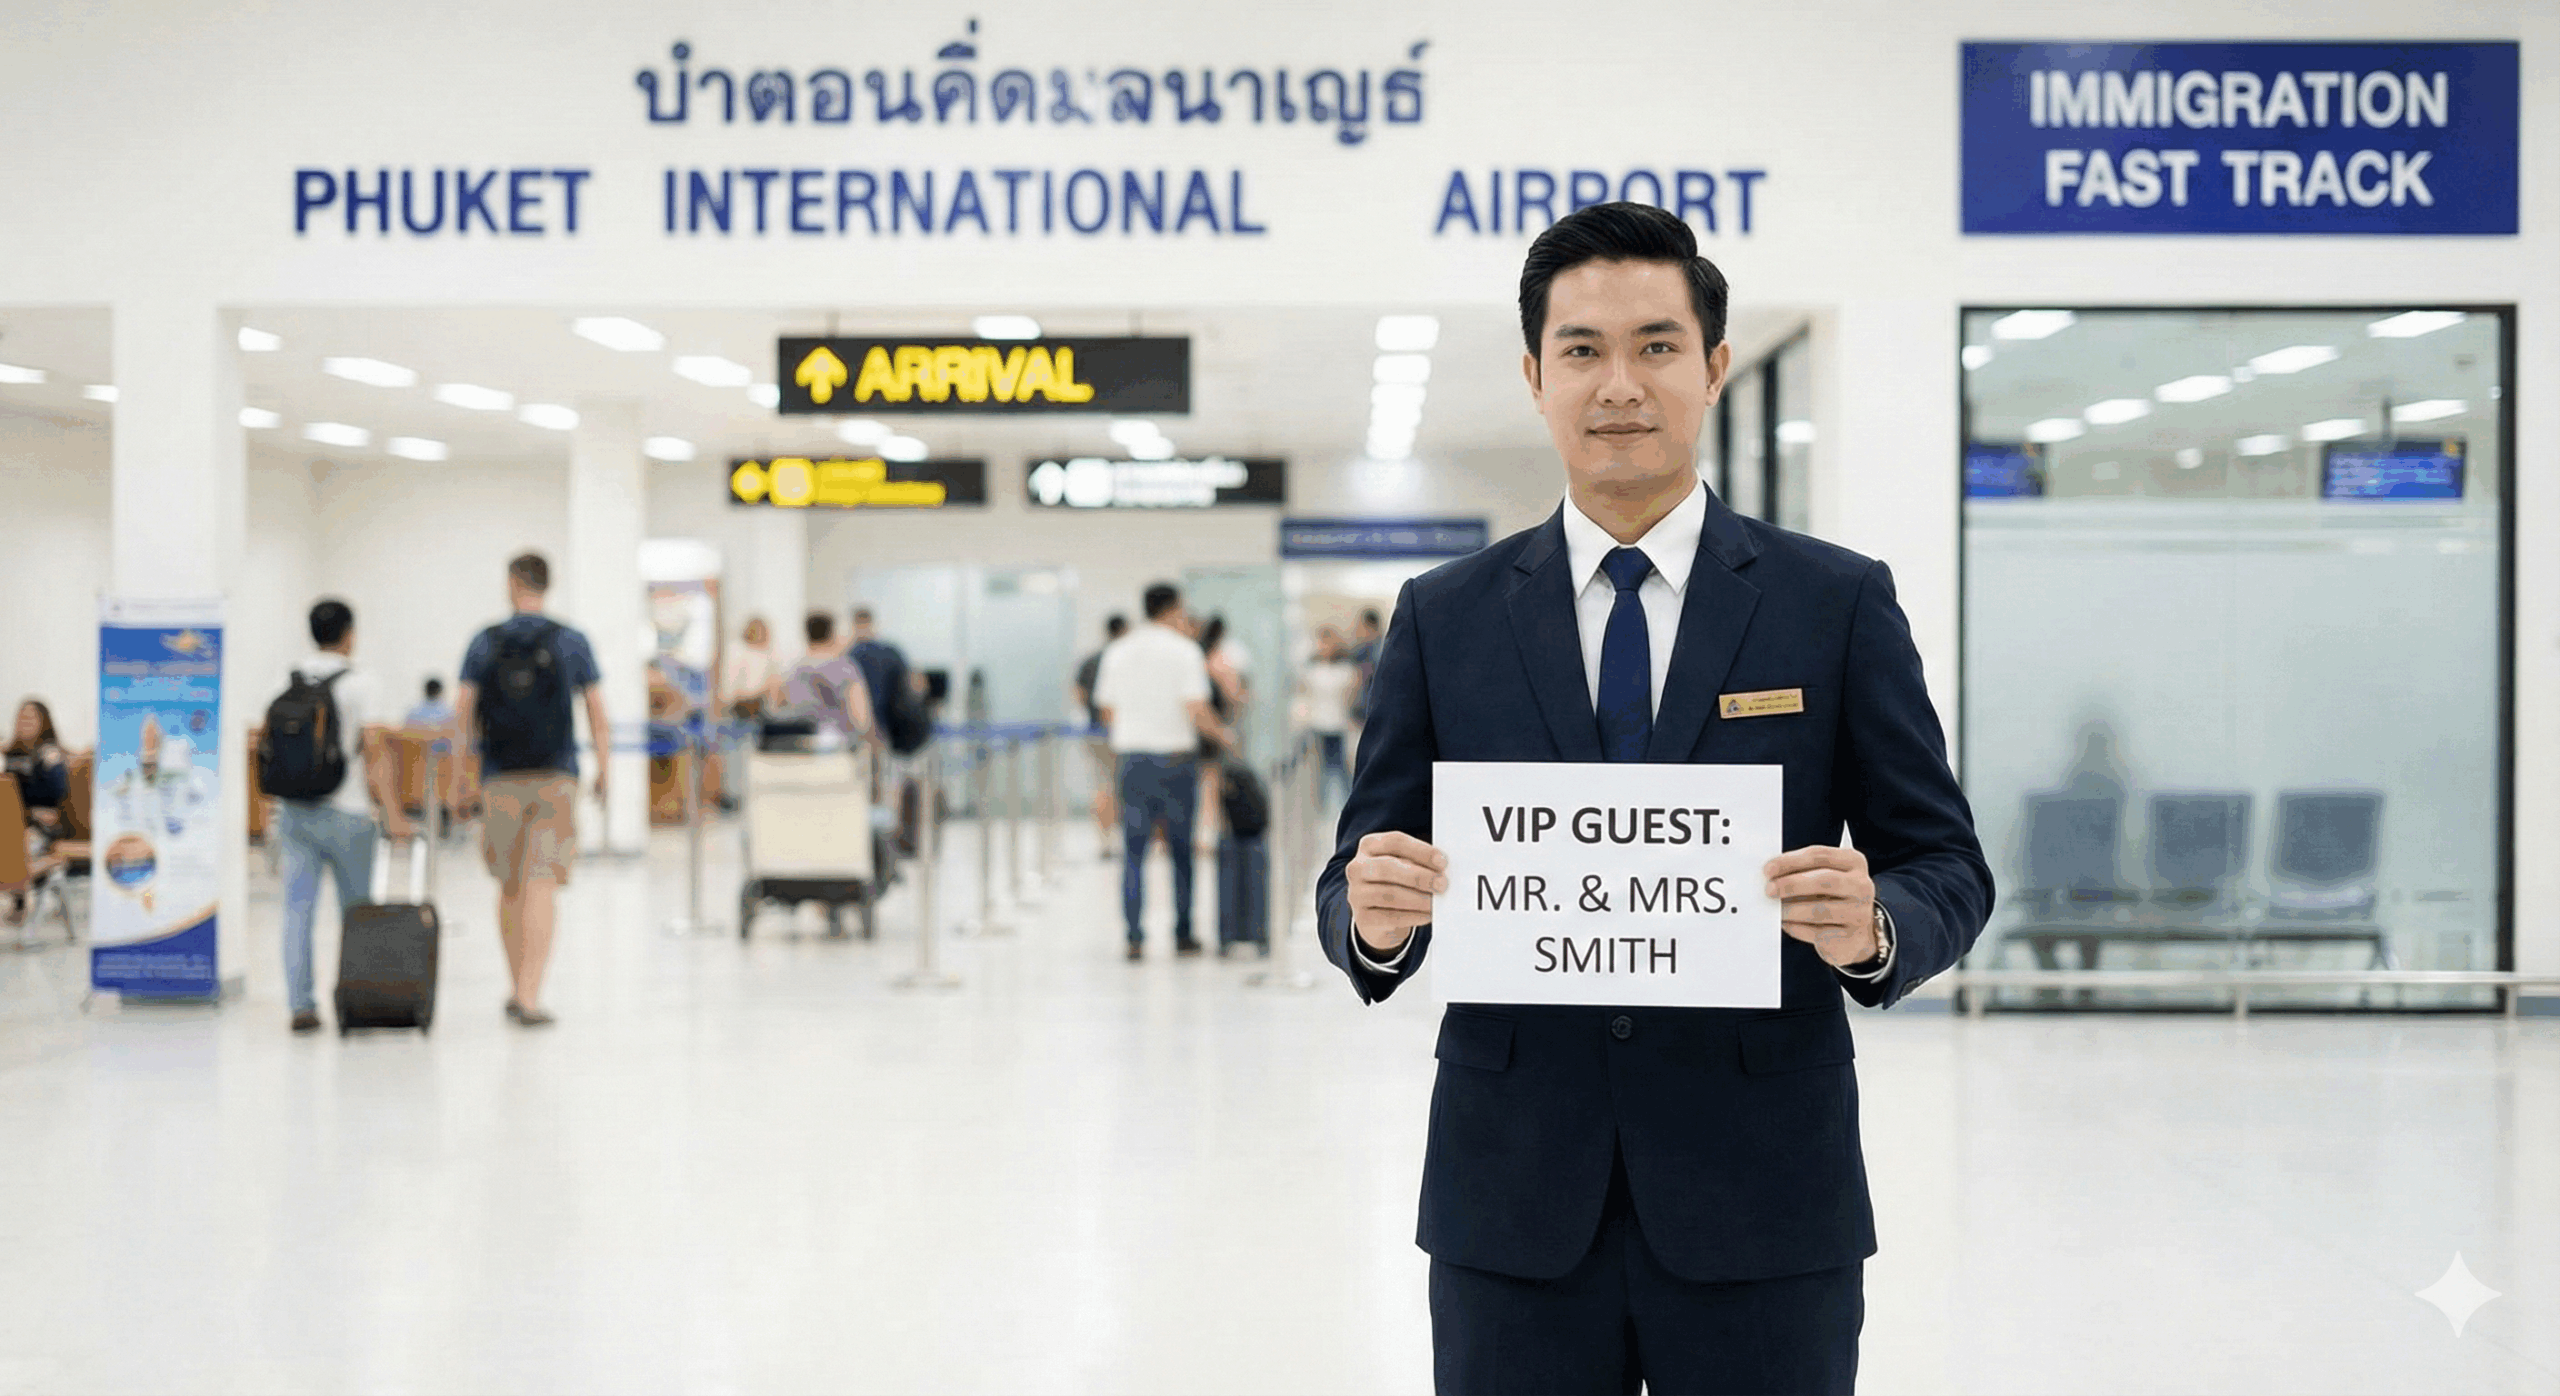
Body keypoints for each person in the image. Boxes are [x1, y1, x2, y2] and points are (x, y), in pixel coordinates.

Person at [1316, 202, 1993, 1394]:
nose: (1619, 384)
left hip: (1764, 1197)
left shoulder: (1831, 603)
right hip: (1512, 1200)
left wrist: (1877, 924)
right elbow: (1353, 873)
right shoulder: (1445, 615)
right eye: (1581, 349)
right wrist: (1369, 919)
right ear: (1534, 377)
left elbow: (1945, 864)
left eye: (1656, 346)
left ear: (1714, 367)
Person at [454, 552, 606, 1029]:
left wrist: (460, 777)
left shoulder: (485, 640)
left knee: (509, 884)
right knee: (542, 883)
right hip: (557, 776)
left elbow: (462, 712)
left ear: (512, 583)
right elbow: (596, 709)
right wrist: (605, 767)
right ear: (547, 584)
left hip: (499, 777)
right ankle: (530, 994)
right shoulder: (571, 640)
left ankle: (514, 985)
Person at [271, 600, 406, 1034]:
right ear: (349, 634)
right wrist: (393, 813)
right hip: (349, 813)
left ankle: (301, 1007)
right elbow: (375, 752)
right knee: (357, 913)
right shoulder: (363, 683)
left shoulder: (287, 679)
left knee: (297, 912)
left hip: (294, 812)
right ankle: (357, 1002)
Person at [1092, 583, 1233, 961]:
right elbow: (1196, 708)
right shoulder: (1185, 651)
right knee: (1181, 850)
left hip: (1133, 760)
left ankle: (1134, 937)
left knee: (1133, 851)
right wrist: (1225, 735)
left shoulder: (1118, 651)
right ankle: (1183, 934)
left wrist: (1135, 728)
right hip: (1175, 760)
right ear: (1172, 609)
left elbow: (1106, 710)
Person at [770, 611, 876, 748]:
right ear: (832, 634)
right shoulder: (845, 668)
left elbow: (780, 707)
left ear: (807, 634)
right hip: (838, 746)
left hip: (801, 744)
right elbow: (861, 718)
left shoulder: (794, 670)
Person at [1072, 614, 1129, 859]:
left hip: (1096, 732)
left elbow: (1079, 693)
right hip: (1119, 734)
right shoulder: (1123, 660)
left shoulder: (1091, 661)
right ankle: (1118, 840)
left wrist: (1091, 713)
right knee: (1117, 788)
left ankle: (1105, 842)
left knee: (1102, 786)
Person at [1299, 627, 1358, 807]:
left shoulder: (1344, 670)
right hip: (1318, 724)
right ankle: (1324, 807)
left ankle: (1346, 804)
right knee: (1322, 769)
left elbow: (1351, 694)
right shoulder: (1313, 669)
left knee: (1340, 768)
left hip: (1337, 724)